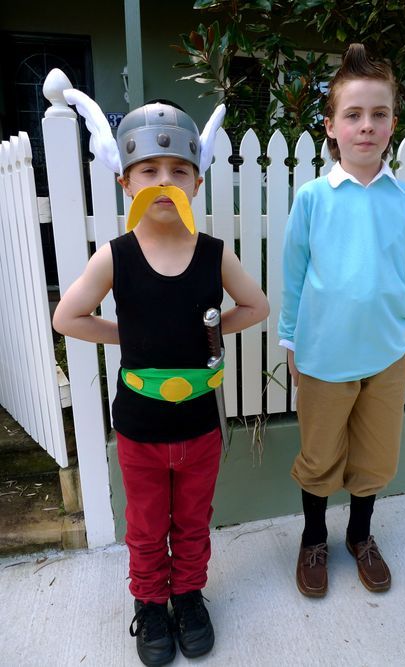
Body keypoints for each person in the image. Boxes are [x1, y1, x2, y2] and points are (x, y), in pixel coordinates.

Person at [53, 99, 269, 665]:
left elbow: (257, 306)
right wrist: (130, 335)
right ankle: (150, 603)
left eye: (179, 170)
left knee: (193, 521)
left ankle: (188, 596)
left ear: (198, 182)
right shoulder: (115, 257)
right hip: (140, 430)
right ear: (125, 183)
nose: (165, 181)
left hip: (200, 427)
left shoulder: (215, 254)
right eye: (149, 170)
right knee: (146, 526)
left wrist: (208, 329)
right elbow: (67, 317)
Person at [278, 43, 405, 598]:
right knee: (319, 455)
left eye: (379, 114)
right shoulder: (313, 198)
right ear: (331, 127)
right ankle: (313, 537)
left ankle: (359, 535)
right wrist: (291, 340)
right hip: (324, 355)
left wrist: (401, 330)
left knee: (375, 455)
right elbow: (294, 273)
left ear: (392, 125)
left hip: (386, 355)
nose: (367, 125)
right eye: (354, 114)